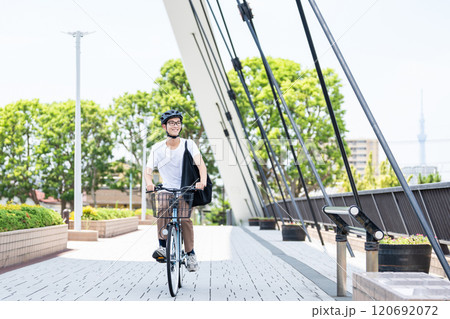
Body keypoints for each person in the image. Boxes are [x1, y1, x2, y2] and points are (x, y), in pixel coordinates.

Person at [145, 109, 207, 272]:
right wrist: (149, 183)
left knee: (185, 219)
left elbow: (201, 165)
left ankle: (190, 253)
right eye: (171, 123)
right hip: (167, 187)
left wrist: (202, 181)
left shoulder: (189, 144)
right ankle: (162, 246)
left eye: (178, 123)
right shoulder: (157, 148)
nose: (175, 125)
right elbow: (148, 169)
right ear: (164, 127)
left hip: (186, 188)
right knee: (162, 205)